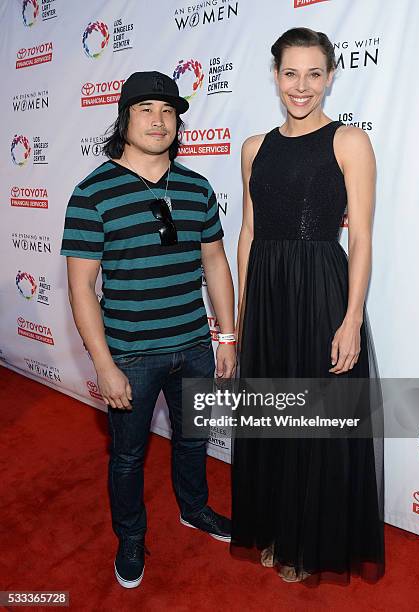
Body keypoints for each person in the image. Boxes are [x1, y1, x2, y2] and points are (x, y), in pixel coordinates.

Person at [60, 71, 236, 589]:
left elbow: (216, 263)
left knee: (192, 439)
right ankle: (131, 534)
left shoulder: (196, 187)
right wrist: (105, 365)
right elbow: (81, 289)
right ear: (125, 119)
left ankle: (194, 508)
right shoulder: (92, 192)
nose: (159, 120)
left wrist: (225, 337)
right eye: (145, 109)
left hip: (195, 348)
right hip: (131, 355)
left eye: (168, 110)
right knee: (129, 456)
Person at [231, 28, 384, 584]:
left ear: (331, 77)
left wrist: (350, 320)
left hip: (322, 291)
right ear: (274, 76)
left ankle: (309, 541)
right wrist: (245, 315)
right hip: (268, 297)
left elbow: (362, 239)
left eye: (314, 74)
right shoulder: (254, 147)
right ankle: (275, 527)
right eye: (290, 73)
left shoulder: (349, 142)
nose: (302, 86)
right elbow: (247, 234)